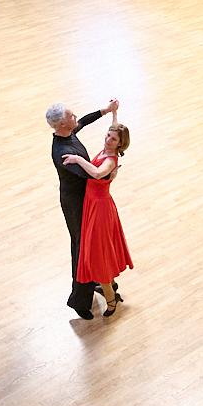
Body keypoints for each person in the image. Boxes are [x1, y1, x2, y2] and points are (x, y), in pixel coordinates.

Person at [46, 99, 120, 320]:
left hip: (87, 199)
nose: (75, 117)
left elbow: (84, 121)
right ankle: (79, 300)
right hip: (75, 204)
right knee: (81, 248)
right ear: (62, 124)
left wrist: (106, 111)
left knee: (91, 245)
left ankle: (98, 279)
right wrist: (111, 170)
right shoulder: (63, 152)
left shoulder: (67, 133)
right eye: (71, 116)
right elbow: (92, 175)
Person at [63, 112, 133, 318]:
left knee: (98, 253)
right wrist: (113, 112)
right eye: (108, 135)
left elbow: (96, 173)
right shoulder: (108, 149)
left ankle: (111, 300)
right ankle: (109, 286)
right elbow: (116, 128)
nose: (108, 139)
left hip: (100, 210)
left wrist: (77, 159)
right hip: (95, 205)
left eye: (113, 139)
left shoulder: (110, 160)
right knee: (103, 249)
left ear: (120, 144)